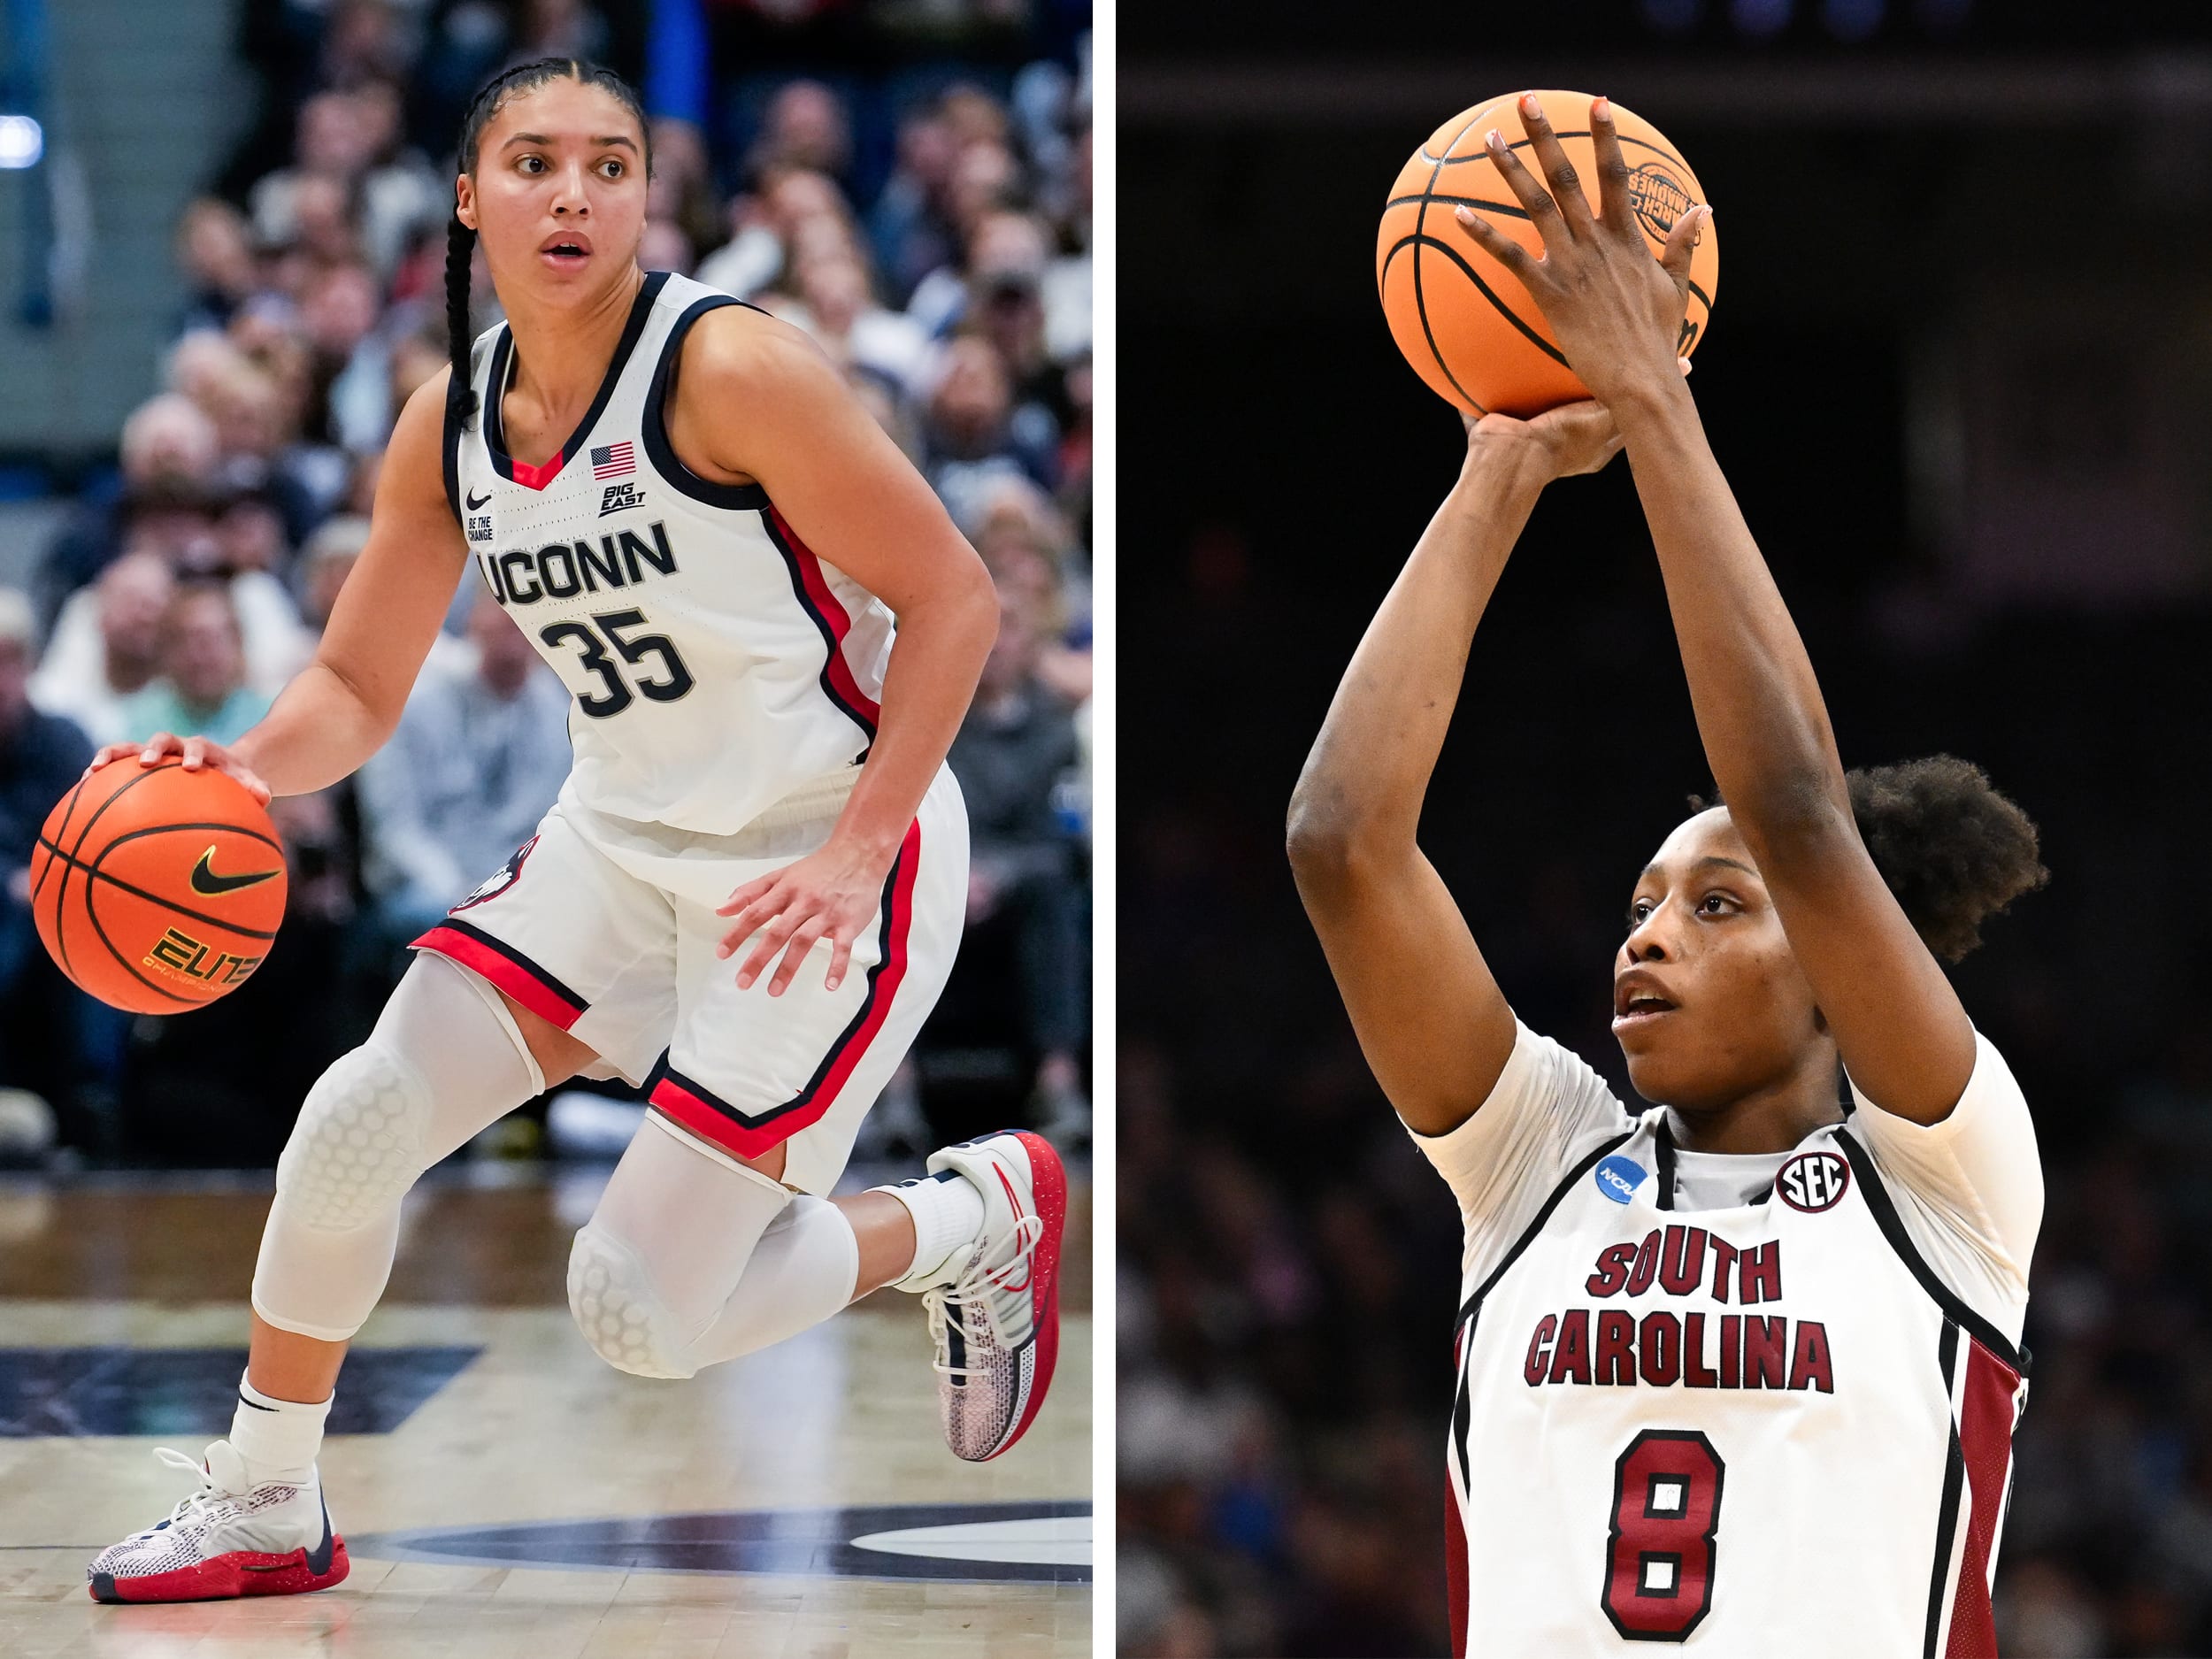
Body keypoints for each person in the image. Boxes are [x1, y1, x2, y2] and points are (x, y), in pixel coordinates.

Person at [86, 58, 1064, 1605]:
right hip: (615, 842)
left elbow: (957, 598)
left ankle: (964, 1218)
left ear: (643, 199)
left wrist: (857, 853)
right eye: (534, 163)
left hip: (819, 850)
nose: (576, 193)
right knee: (350, 1126)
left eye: (610, 165)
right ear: (470, 201)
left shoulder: (731, 370)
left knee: (641, 1315)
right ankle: (267, 1496)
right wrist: (234, 767)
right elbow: (352, 682)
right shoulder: (451, 422)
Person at [1286, 96, 2047, 1656]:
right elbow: (1342, 847)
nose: (1649, 940)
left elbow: (1794, 809)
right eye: (1643, 906)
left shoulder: (1949, 1183)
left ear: (1843, 960)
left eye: (1715, 906)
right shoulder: (1541, 1160)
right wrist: (1494, 475)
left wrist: (1654, 399)